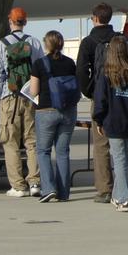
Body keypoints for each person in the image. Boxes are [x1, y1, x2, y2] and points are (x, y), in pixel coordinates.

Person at [76, 2, 128, 203]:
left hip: (101, 95)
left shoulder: (88, 42)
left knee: (102, 146)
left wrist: (91, 92)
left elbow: (81, 71)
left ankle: (104, 189)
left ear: (95, 18)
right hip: (127, 94)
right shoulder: (122, 39)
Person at [92, 35, 128, 213]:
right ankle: (118, 195)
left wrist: (99, 119)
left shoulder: (106, 73)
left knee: (120, 161)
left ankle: (124, 200)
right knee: (122, 159)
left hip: (114, 123)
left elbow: (101, 100)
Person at [0, 7, 43, 197]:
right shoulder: (34, 42)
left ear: (10, 21)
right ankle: (35, 182)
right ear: (25, 22)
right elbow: (40, 69)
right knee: (31, 141)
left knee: (10, 140)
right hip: (29, 96)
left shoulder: (1, 44)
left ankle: (18, 186)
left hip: (9, 96)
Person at [30, 30, 80, 203]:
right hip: (68, 111)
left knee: (43, 151)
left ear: (47, 45)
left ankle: (48, 188)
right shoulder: (70, 63)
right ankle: (64, 192)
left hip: (46, 110)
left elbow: (34, 91)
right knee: (62, 151)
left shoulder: (39, 64)